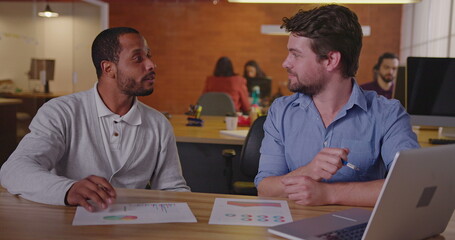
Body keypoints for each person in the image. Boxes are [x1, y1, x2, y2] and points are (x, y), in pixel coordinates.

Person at [0, 27, 189, 212]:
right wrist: (68, 189)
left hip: (131, 227)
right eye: (138, 58)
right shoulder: (61, 112)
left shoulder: (159, 124)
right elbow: (14, 170)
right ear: (108, 68)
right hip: (65, 227)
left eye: (149, 56)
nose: (151, 65)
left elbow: (172, 189)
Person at [254, 5, 419, 207]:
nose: (285, 63)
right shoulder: (281, 111)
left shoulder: (388, 114)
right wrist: (308, 171)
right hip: (294, 229)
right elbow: (265, 189)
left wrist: (327, 194)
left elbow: (410, 187)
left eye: (296, 54)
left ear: (331, 60)